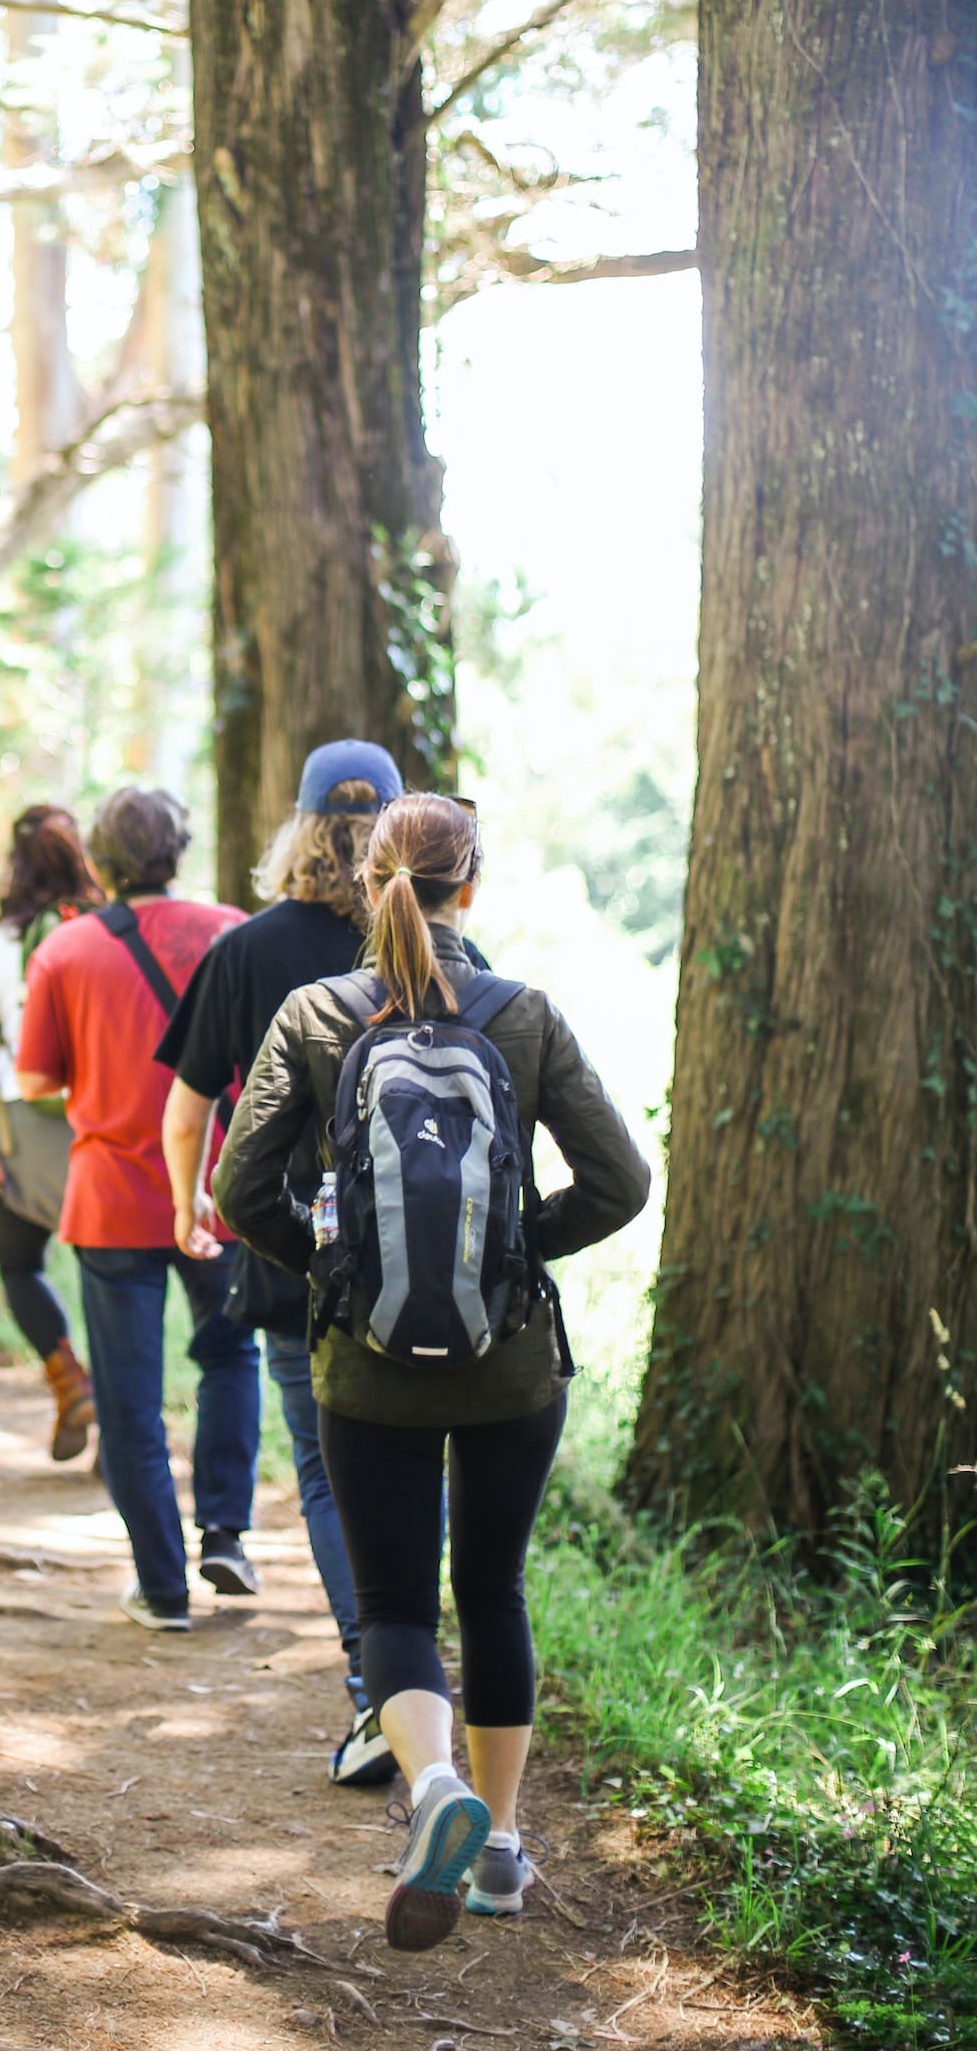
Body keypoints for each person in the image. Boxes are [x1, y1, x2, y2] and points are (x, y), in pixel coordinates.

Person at [215, 792, 649, 1947]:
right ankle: (501, 1850)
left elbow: (237, 1193)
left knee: (400, 1602)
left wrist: (333, 1271)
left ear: (367, 883)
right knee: (494, 1589)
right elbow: (621, 1183)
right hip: (510, 1370)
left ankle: (435, 1788)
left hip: (366, 1368)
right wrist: (513, 1256)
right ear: (475, 886)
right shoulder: (524, 1014)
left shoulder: (316, 1014)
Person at [159, 740, 408, 1779]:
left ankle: (376, 1688)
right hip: (424, 1255)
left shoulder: (249, 950)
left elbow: (187, 1108)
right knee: (416, 1463)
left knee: (324, 1469)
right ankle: (426, 1679)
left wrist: (189, 1209)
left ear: (298, 831)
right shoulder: (433, 949)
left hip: (293, 1252)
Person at [15, 785, 250, 1630]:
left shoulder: (67, 953)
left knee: (130, 1399)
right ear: (178, 851)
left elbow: (34, 1078)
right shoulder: (230, 931)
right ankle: (225, 1531)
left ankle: (163, 1587)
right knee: (230, 1357)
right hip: (220, 1189)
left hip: (113, 1197)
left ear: (102, 862)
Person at [0, 804, 104, 1461]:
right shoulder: (110, 930)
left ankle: (68, 1376)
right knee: (111, 1277)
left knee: (20, 1264)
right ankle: (122, 1426)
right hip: (108, 1125)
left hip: (26, 1125)